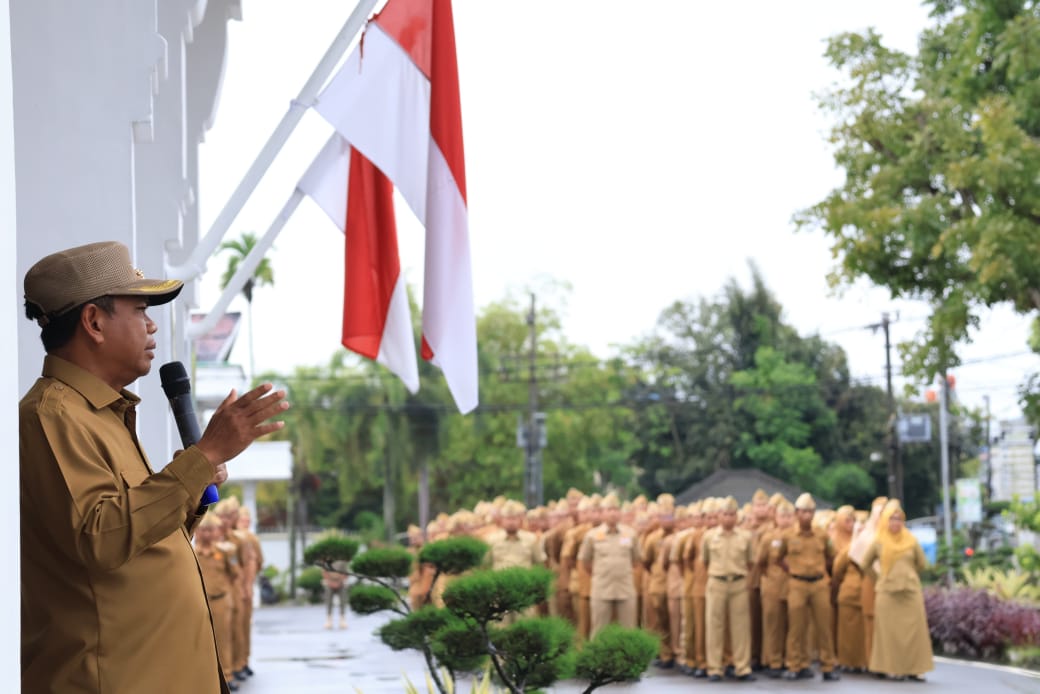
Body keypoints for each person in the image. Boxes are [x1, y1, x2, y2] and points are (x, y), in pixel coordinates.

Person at [20, 241, 289, 693]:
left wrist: (194, 478)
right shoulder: (52, 415)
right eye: (141, 310)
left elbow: (137, 537)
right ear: (94, 322)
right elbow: (101, 539)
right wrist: (202, 457)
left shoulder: (101, 414)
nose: (152, 326)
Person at [856, 502, 933, 681]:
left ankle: (915, 669)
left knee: (914, 632)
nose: (895, 522)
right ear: (885, 520)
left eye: (899, 519)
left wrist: (908, 575)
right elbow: (864, 563)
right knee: (889, 634)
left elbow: (922, 564)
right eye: (891, 518)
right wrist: (879, 578)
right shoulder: (879, 540)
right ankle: (890, 668)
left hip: (910, 592)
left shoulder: (911, 540)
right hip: (887, 593)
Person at [777, 493, 839, 681]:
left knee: (823, 627)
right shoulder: (788, 535)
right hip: (797, 583)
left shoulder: (822, 534)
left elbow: (831, 556)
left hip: (819, 583)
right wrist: (792, 571)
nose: (807, 515)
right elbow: (778, 558)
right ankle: (794, 665)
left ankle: (828, 666)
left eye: (810, 512)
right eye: (803, 512)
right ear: (797, 513)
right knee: (796, 627)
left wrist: (822, 570)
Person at [578, 493, 640, 636]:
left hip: (625, 589)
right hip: (601, 589)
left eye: (616, 509)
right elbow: (585, 562)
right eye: (609, 509)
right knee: (599, 631)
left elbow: (636, 560)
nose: (613, 513)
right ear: (603, 513)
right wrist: (601, 573)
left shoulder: (630, 534)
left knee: (628, 631)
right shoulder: (592, 535)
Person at [194, 512, 241, 691]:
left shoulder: (226, 552)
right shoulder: (192, 552)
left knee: (222, 640)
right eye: (203, 530)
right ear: (197, 531)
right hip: (199, 603)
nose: (206, 534)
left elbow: (235, 573)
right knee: (198, 641)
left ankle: (227, 676)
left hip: (220, 600)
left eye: (210, 530)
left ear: (216, 531)